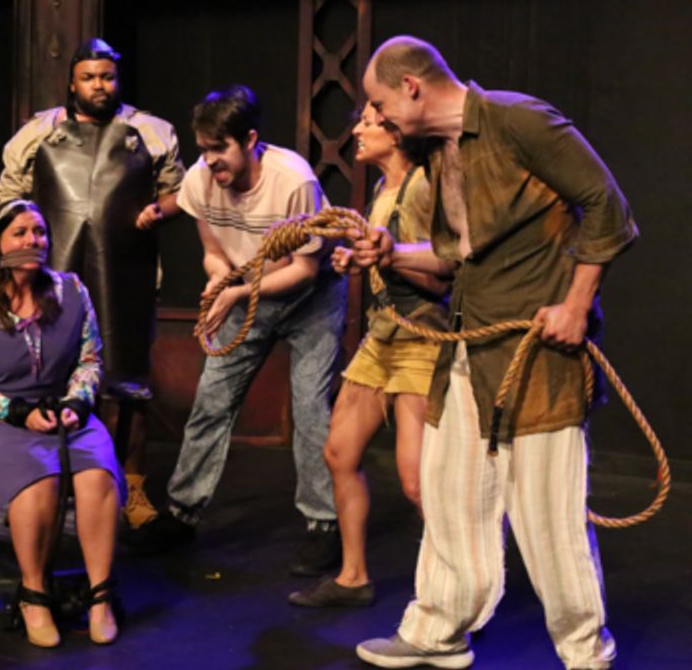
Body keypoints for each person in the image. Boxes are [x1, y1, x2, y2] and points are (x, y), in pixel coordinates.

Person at [351, 36, 635, 670]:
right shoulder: (438, 153)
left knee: (548, 517)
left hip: (537, 355)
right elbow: (457, 257)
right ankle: (436, 631)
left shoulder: (518, 120)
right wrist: (392, 253)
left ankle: (586, 654)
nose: (375, 120)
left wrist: (577, 303)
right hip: (469, 347)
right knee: (449, 493)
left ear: (411, 88)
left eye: (378, 104)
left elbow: (608, 206)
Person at [127, 85, 347, 577]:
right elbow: (213, 250)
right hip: (247, 291)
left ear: (249, 139)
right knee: (212, 401)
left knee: (311, 409)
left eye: (218, 149)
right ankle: (182, 514)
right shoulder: (201, 181)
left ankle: (323, 524)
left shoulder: (294, 181)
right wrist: (218, 281)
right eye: (203, 149)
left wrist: (236, 294)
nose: (209, 162)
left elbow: (304, 270)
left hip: (310, 299)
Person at [0, 38, 185, 528]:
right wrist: (25, 239)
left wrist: (156, 211)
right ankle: (43, 483)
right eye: (89, 77)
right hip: (51, 278)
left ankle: (133, 489)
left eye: (107, 76)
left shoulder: (151, 131)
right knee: (46, 378)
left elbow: (181, 194)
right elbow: (8, 196)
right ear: (72, 82)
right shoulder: (39, 133)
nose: (99, 85)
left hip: (127, 276)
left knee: (129, 387)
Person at [287, 102, 452, 608]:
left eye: (368, 121)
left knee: (417, 481)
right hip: (381, 339)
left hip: (421, 340)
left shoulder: (425, 187)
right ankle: (353, 577)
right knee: (339, 451)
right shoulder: (384, 190)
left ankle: (454, 590)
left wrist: (387, 259)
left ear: (396, 133)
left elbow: (444, 275)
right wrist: (358, 259)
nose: (356, 128)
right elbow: (388, 256)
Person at [0, 200, 124, 647]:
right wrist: (17, 411)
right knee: (37, 479)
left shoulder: (71, 291)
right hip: (2, 420)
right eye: (20, 232)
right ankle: (34, 593)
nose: (32, 241)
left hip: (66, 413)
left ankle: (100, 595)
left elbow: (89, 360)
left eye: (39, 232)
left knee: (97, 474)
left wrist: (78, 402)